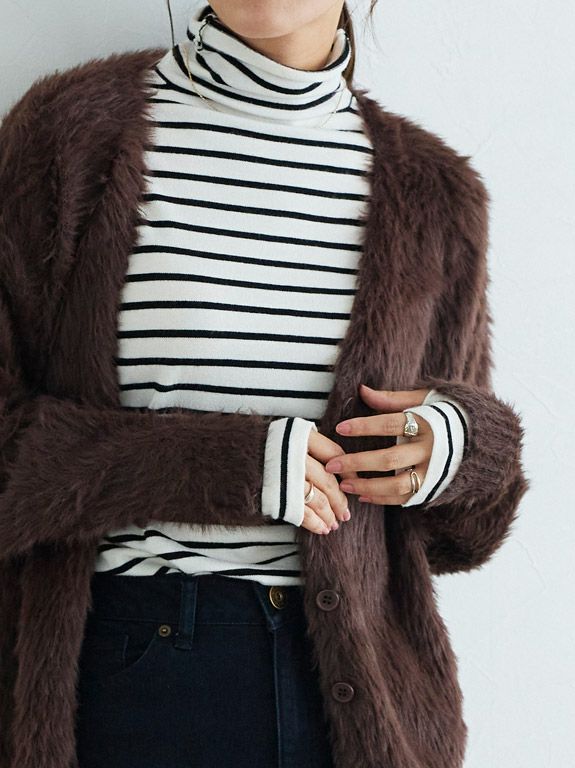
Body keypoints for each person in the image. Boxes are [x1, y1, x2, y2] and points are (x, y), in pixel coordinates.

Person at [0, 2, 530, 767]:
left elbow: (462, 532)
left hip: (361, 701)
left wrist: (454, 447)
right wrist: (228, 466)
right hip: (141, 671)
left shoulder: (434, 194)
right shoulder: (71, 135)